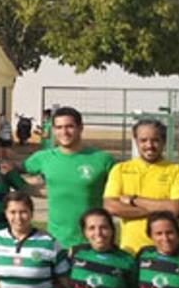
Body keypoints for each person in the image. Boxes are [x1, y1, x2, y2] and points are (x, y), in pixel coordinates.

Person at [21, 106, 115, 248]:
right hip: (56, 243)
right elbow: (14, 171)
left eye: (69, 126)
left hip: (94, 242)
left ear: (80, 128)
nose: (64, 132)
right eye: (59, 127)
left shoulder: (102, 160)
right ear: (53, 130)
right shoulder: (43, 158)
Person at [103, 119, 179, 255]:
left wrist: (133, 200)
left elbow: (175, 208)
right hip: (130, 251)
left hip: (165, 253)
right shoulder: (120, 169)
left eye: (155, 140)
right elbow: (111, 207)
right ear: (136, 141)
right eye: (143, 140)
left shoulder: (177, 171)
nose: (149, 145)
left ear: (164, 141)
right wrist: (160, 210)